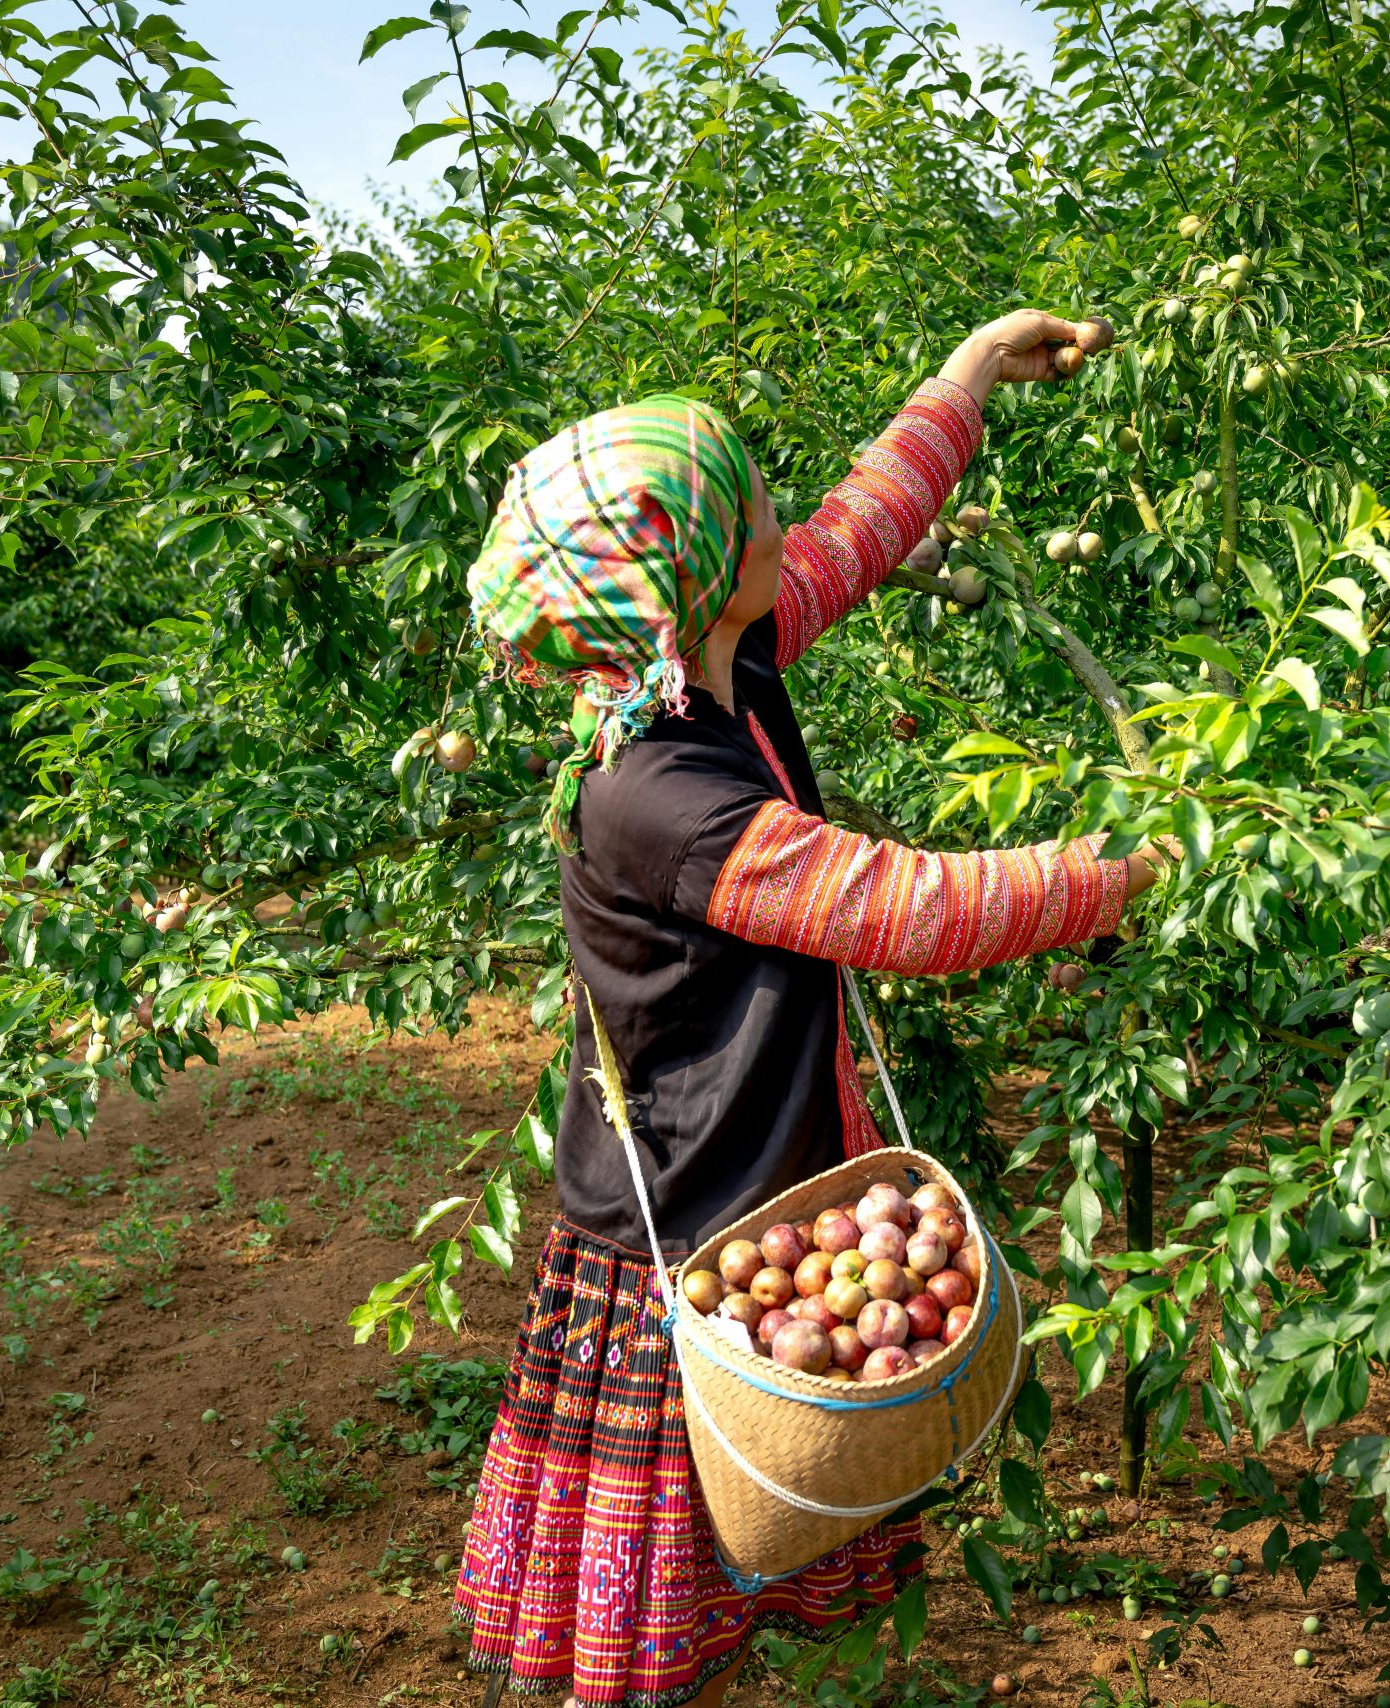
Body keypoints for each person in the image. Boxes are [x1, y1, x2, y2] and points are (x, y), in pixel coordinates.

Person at [453, 309, 1170, 1707]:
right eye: (750, 502)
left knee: (739, 1558)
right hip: (692, 1223)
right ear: (690, 566)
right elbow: (899, 909)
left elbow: (868, 521)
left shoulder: (727, 651)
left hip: (765, 1187)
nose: (783, 511)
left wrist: (970, 369)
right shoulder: (660, 791)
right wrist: (1134, 872)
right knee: (666, 1609)